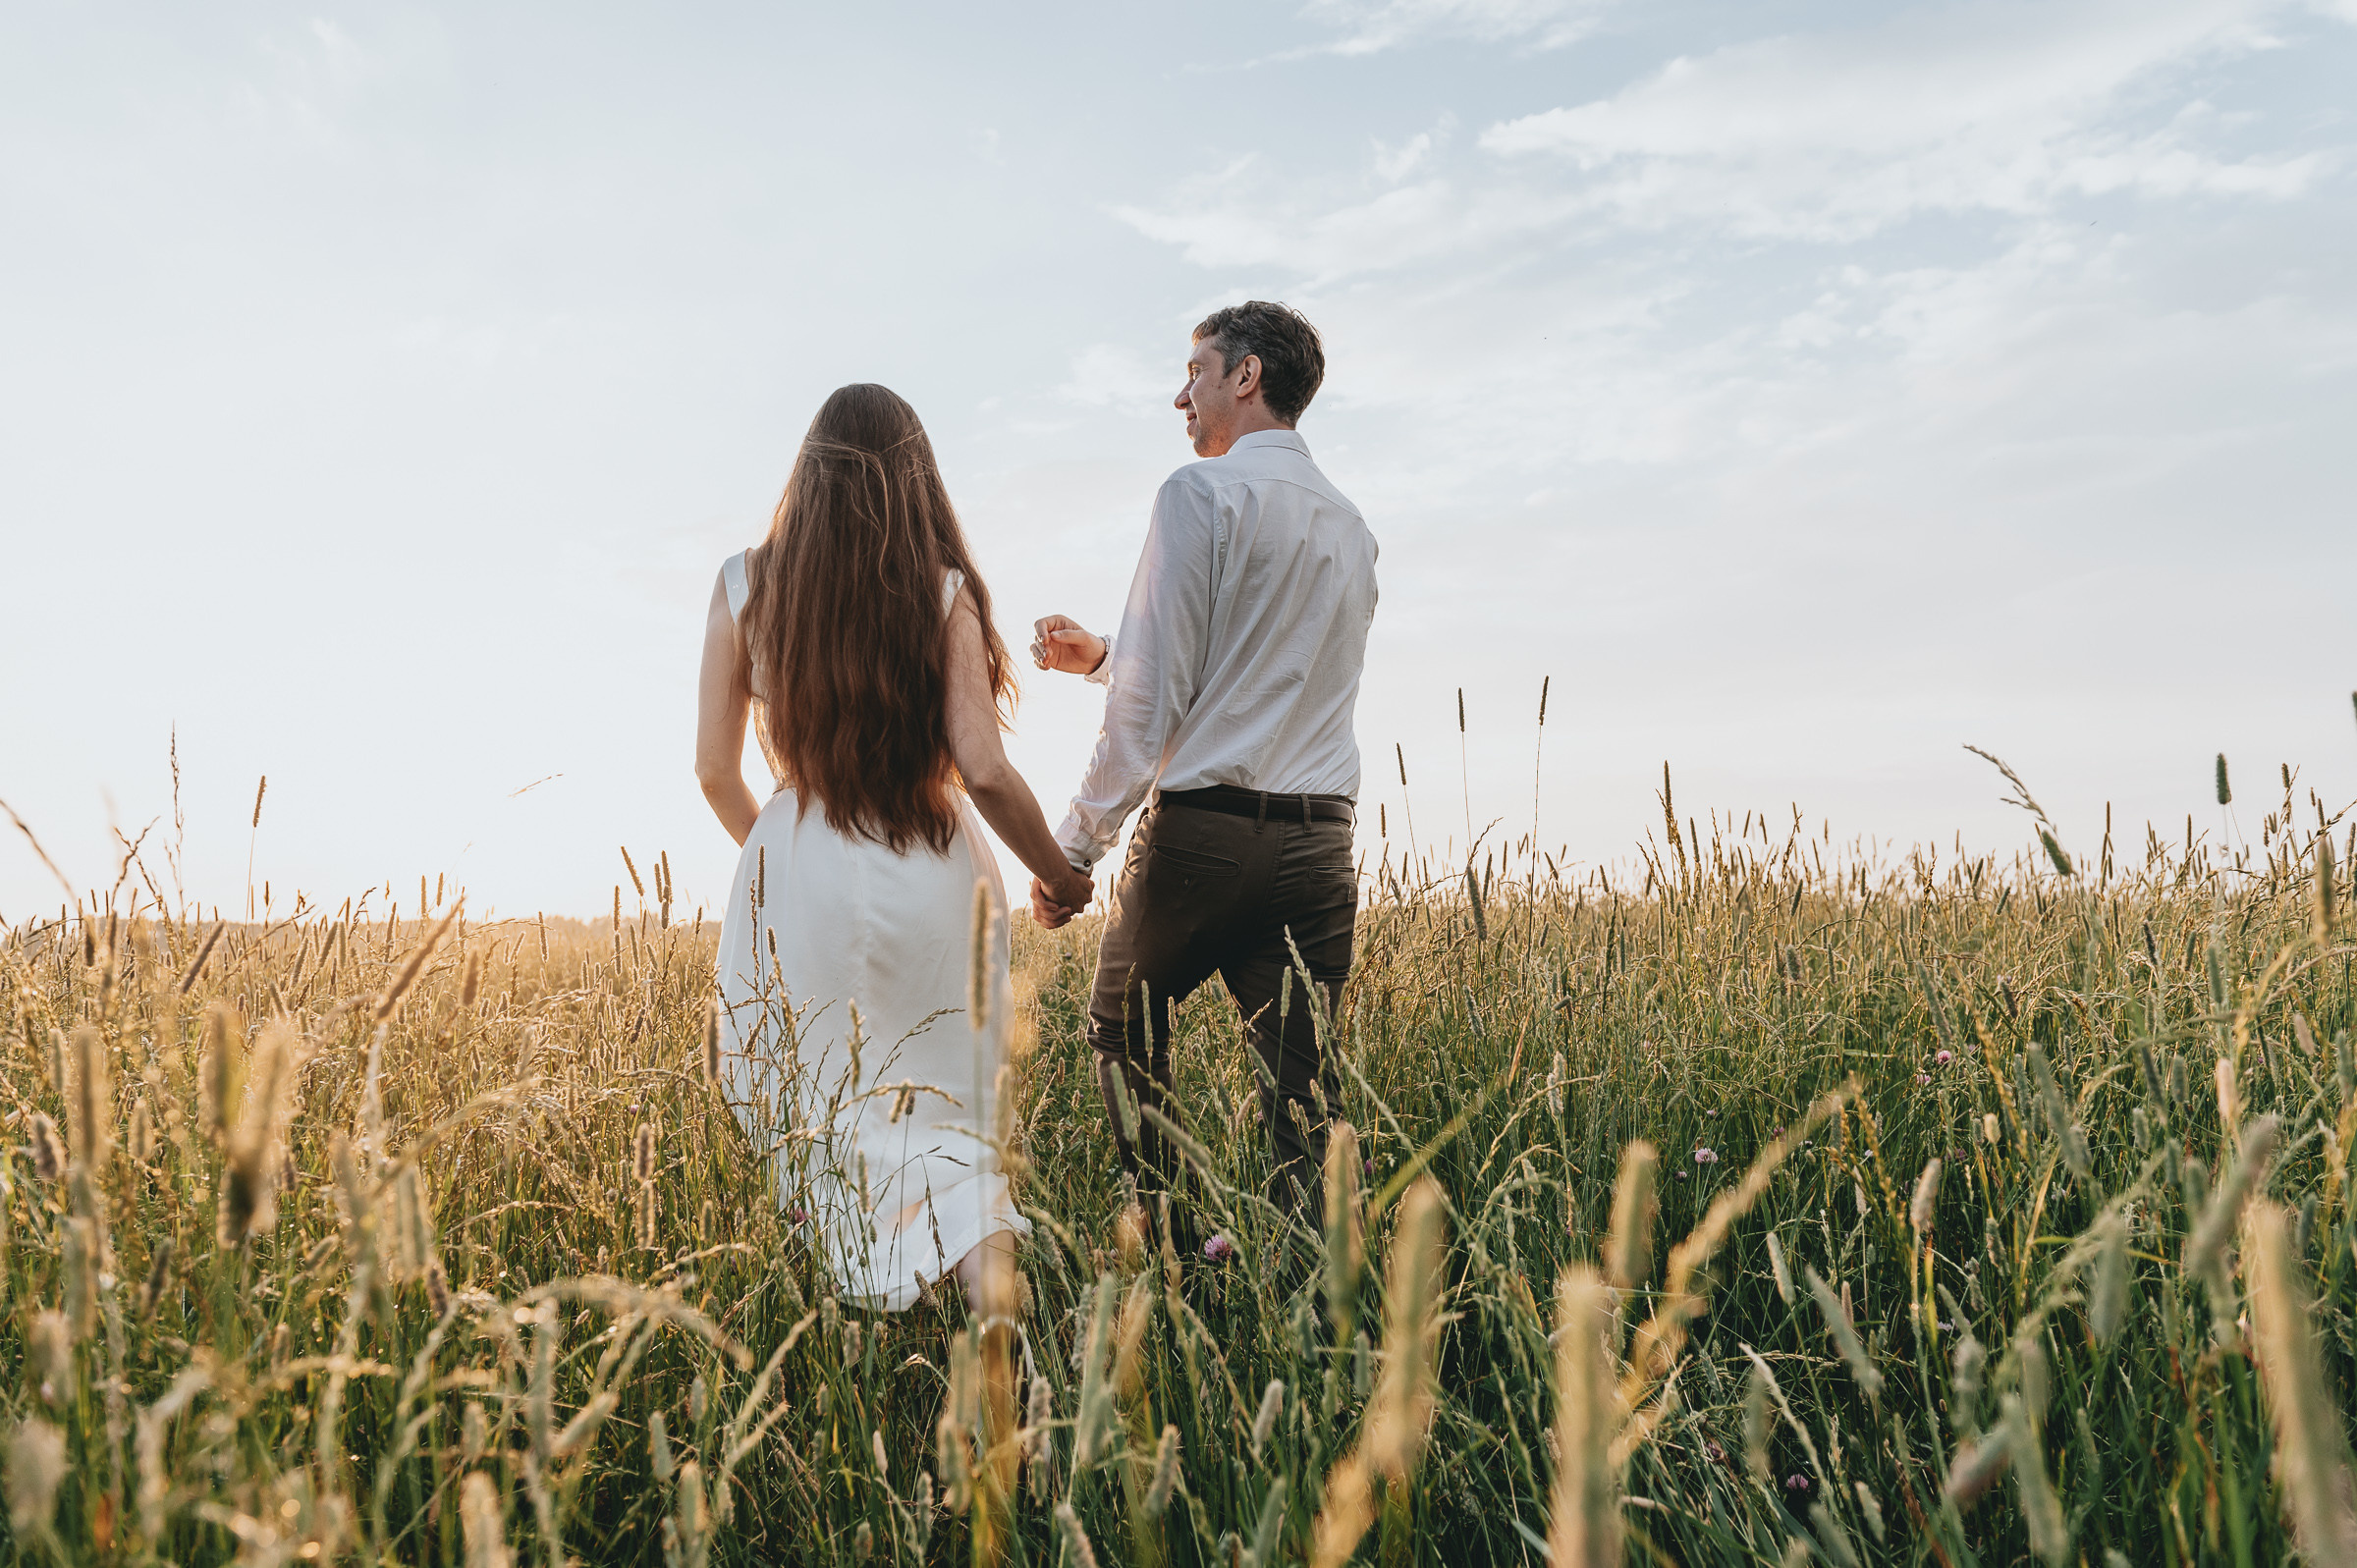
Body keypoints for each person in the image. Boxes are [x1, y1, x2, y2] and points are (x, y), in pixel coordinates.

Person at [696, 383, 1095, 1313]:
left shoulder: (743, 585)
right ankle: (1003, 1342)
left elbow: (715, 771)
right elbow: (984, 768)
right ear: (918, 479)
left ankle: (840, 1343)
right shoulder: (945, 590)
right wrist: (1058, 872)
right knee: (950, 1135)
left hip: (799, 868)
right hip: (933, 867)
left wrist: (778, 864)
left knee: (819, 1115)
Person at [1030, 300, 1378, 1257]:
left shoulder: (1198, 494)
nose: (1178, 393)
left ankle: (1186, 1251)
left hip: (1202, 842)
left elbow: (1150, 705)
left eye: (1195, 370)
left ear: (1246, 376)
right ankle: (1309, 1288)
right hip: (1317, 849)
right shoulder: (1352, 529)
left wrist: (1071, 849)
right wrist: (1107, 655)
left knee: (1120, 1028)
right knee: (1302, 1093)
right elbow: (1264, 675)